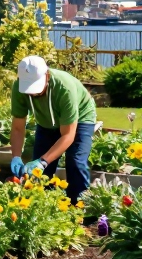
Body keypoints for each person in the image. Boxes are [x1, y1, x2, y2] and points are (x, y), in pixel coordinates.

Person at [8, 55, 97, 202]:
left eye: (36, 86)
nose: (33, 93)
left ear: (47, 75)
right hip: (46, 123)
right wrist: (16, 157)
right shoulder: (19, 88)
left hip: (80, 118)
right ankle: (42, 205)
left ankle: (80, 207)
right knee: (39, 173)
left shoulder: (64, 87)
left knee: (75, 161)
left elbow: (68, 135)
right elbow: (18, 128)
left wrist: (43, 161)